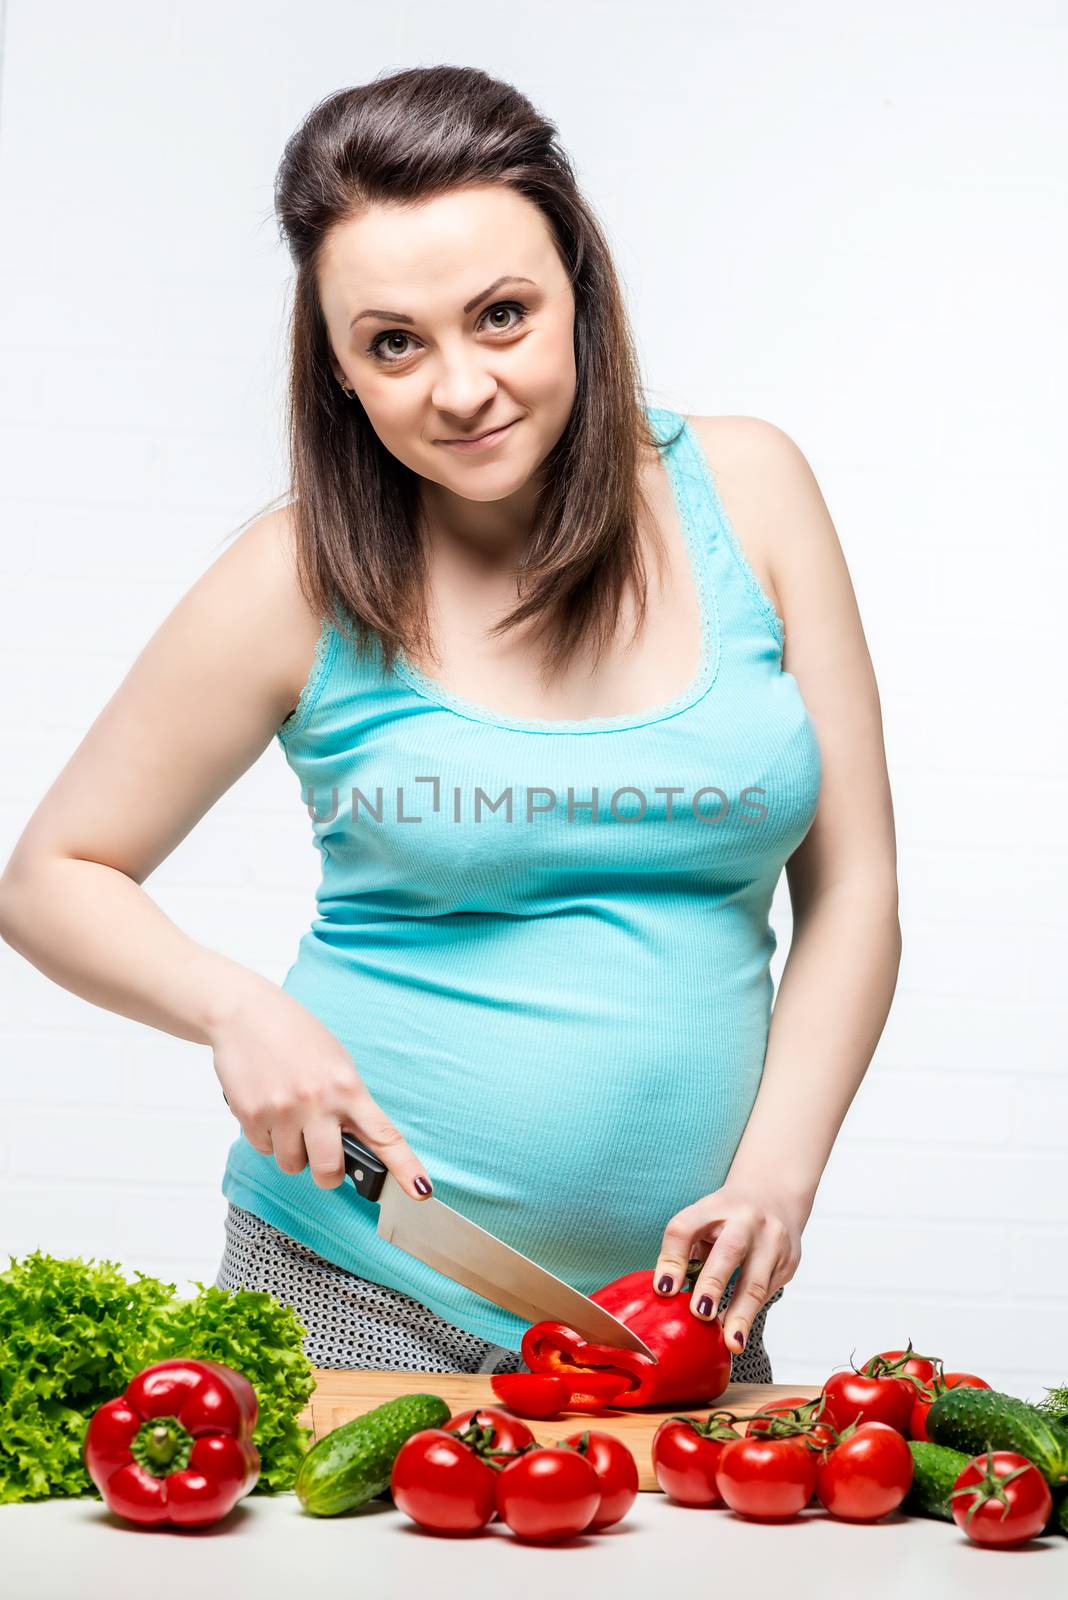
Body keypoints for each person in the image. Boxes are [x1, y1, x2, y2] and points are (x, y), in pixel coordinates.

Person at [0, 66, 901, 1382]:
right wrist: (235, 1010)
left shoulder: (752, 493)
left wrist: (777, 1181)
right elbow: (51, 877)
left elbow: (858, 887)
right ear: (342, 368)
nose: (463, 387)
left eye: (502, 316)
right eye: (394, 343)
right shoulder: (295, 577)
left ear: (580, 291)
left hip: (674, 1307)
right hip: (352, 1285)